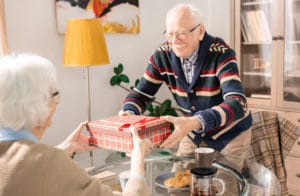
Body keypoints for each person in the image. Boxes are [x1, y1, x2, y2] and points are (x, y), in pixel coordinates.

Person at [119, 3, 252, 170]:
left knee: (223, 187)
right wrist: (129, 112)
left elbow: (238, 102)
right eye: (170, 33)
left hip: (230, 133)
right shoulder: (162, 55)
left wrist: (194, 121)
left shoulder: (221, 53)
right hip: (192, 131)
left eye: (181, 34)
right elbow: (140, 94)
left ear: (200, 32)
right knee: (178, 182)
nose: (175, 41)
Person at [0, 53, 153, 196]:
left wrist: (64, 148)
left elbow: (26, 171)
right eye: (54, 94)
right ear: (38, 105)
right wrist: (137, 163)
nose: (56, 102)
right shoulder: (49, 162)